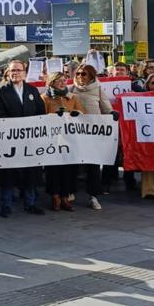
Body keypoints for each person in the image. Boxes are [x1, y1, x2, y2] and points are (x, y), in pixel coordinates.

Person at [0, 60, 47, 217]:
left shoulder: (32, 90)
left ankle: (30, 203)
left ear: (24, 72)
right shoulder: (0, 90)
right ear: (8, 73)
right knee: (8, 173)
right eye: (12, 70)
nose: (16, 72)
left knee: (30, 171)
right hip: (9, 139)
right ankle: (6, 205)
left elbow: (40, 111)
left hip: (29, 140)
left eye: (19, 70)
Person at [71, 64, 114, 205]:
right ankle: (71, 192)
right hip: (75, 134)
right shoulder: (70, 89)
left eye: (84, 74)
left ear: (91, 76)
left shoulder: (98, 90)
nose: (80, 77)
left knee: (93, 166)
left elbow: (107, 109)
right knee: (73, 165)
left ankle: (93, 196)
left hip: (93, 134)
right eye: (78, 74)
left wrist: (113, 115)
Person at [42, 72, 84, 211]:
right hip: (52, 141)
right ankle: (55, 196)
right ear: (51, 82)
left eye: (63, 80)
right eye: (58, 81)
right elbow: (39, 118)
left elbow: (82, 114)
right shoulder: (44, 98)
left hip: (69, 140)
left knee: (68, 169)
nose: (62, 83)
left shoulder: (72, 97)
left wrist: (76, 114)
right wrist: (53, 116)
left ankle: (65, 196)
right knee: (53, 170)